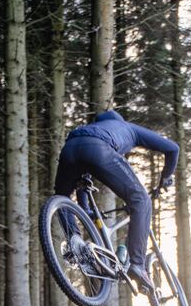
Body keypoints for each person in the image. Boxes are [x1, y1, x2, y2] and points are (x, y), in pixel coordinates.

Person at [54, 109, 179, 292]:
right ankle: (137, 264)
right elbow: (173, 148)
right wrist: (166, 178)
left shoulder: (91, 128)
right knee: (141, 200)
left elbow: (83, 178)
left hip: (69, 148)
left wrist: (85, 210)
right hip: (98, 148)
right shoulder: (128, 127)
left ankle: (75, 240)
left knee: (61, 197)